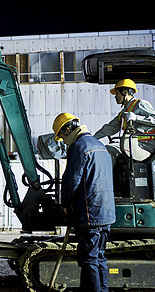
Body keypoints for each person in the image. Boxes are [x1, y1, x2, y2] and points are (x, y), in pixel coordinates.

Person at [53, 113, 116, 292]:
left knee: (89, 260)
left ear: (68, 129)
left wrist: (64, 204)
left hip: (90, 214)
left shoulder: (79, 146)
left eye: (62, 136)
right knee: (99, 257)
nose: (64, 141)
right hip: (106, 213)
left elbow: (71, 180)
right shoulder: (100, 145)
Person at [94, 79, 155, 159]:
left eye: (117, 93)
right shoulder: (125, 112)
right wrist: (93, 138)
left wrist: (136, 117)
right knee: (107, 148)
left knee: (111, 149)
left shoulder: (140, 104)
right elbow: (109, 128)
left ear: (125, 92)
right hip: (134, 144)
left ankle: (107, 172)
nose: (115, 96)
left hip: (145, 145)